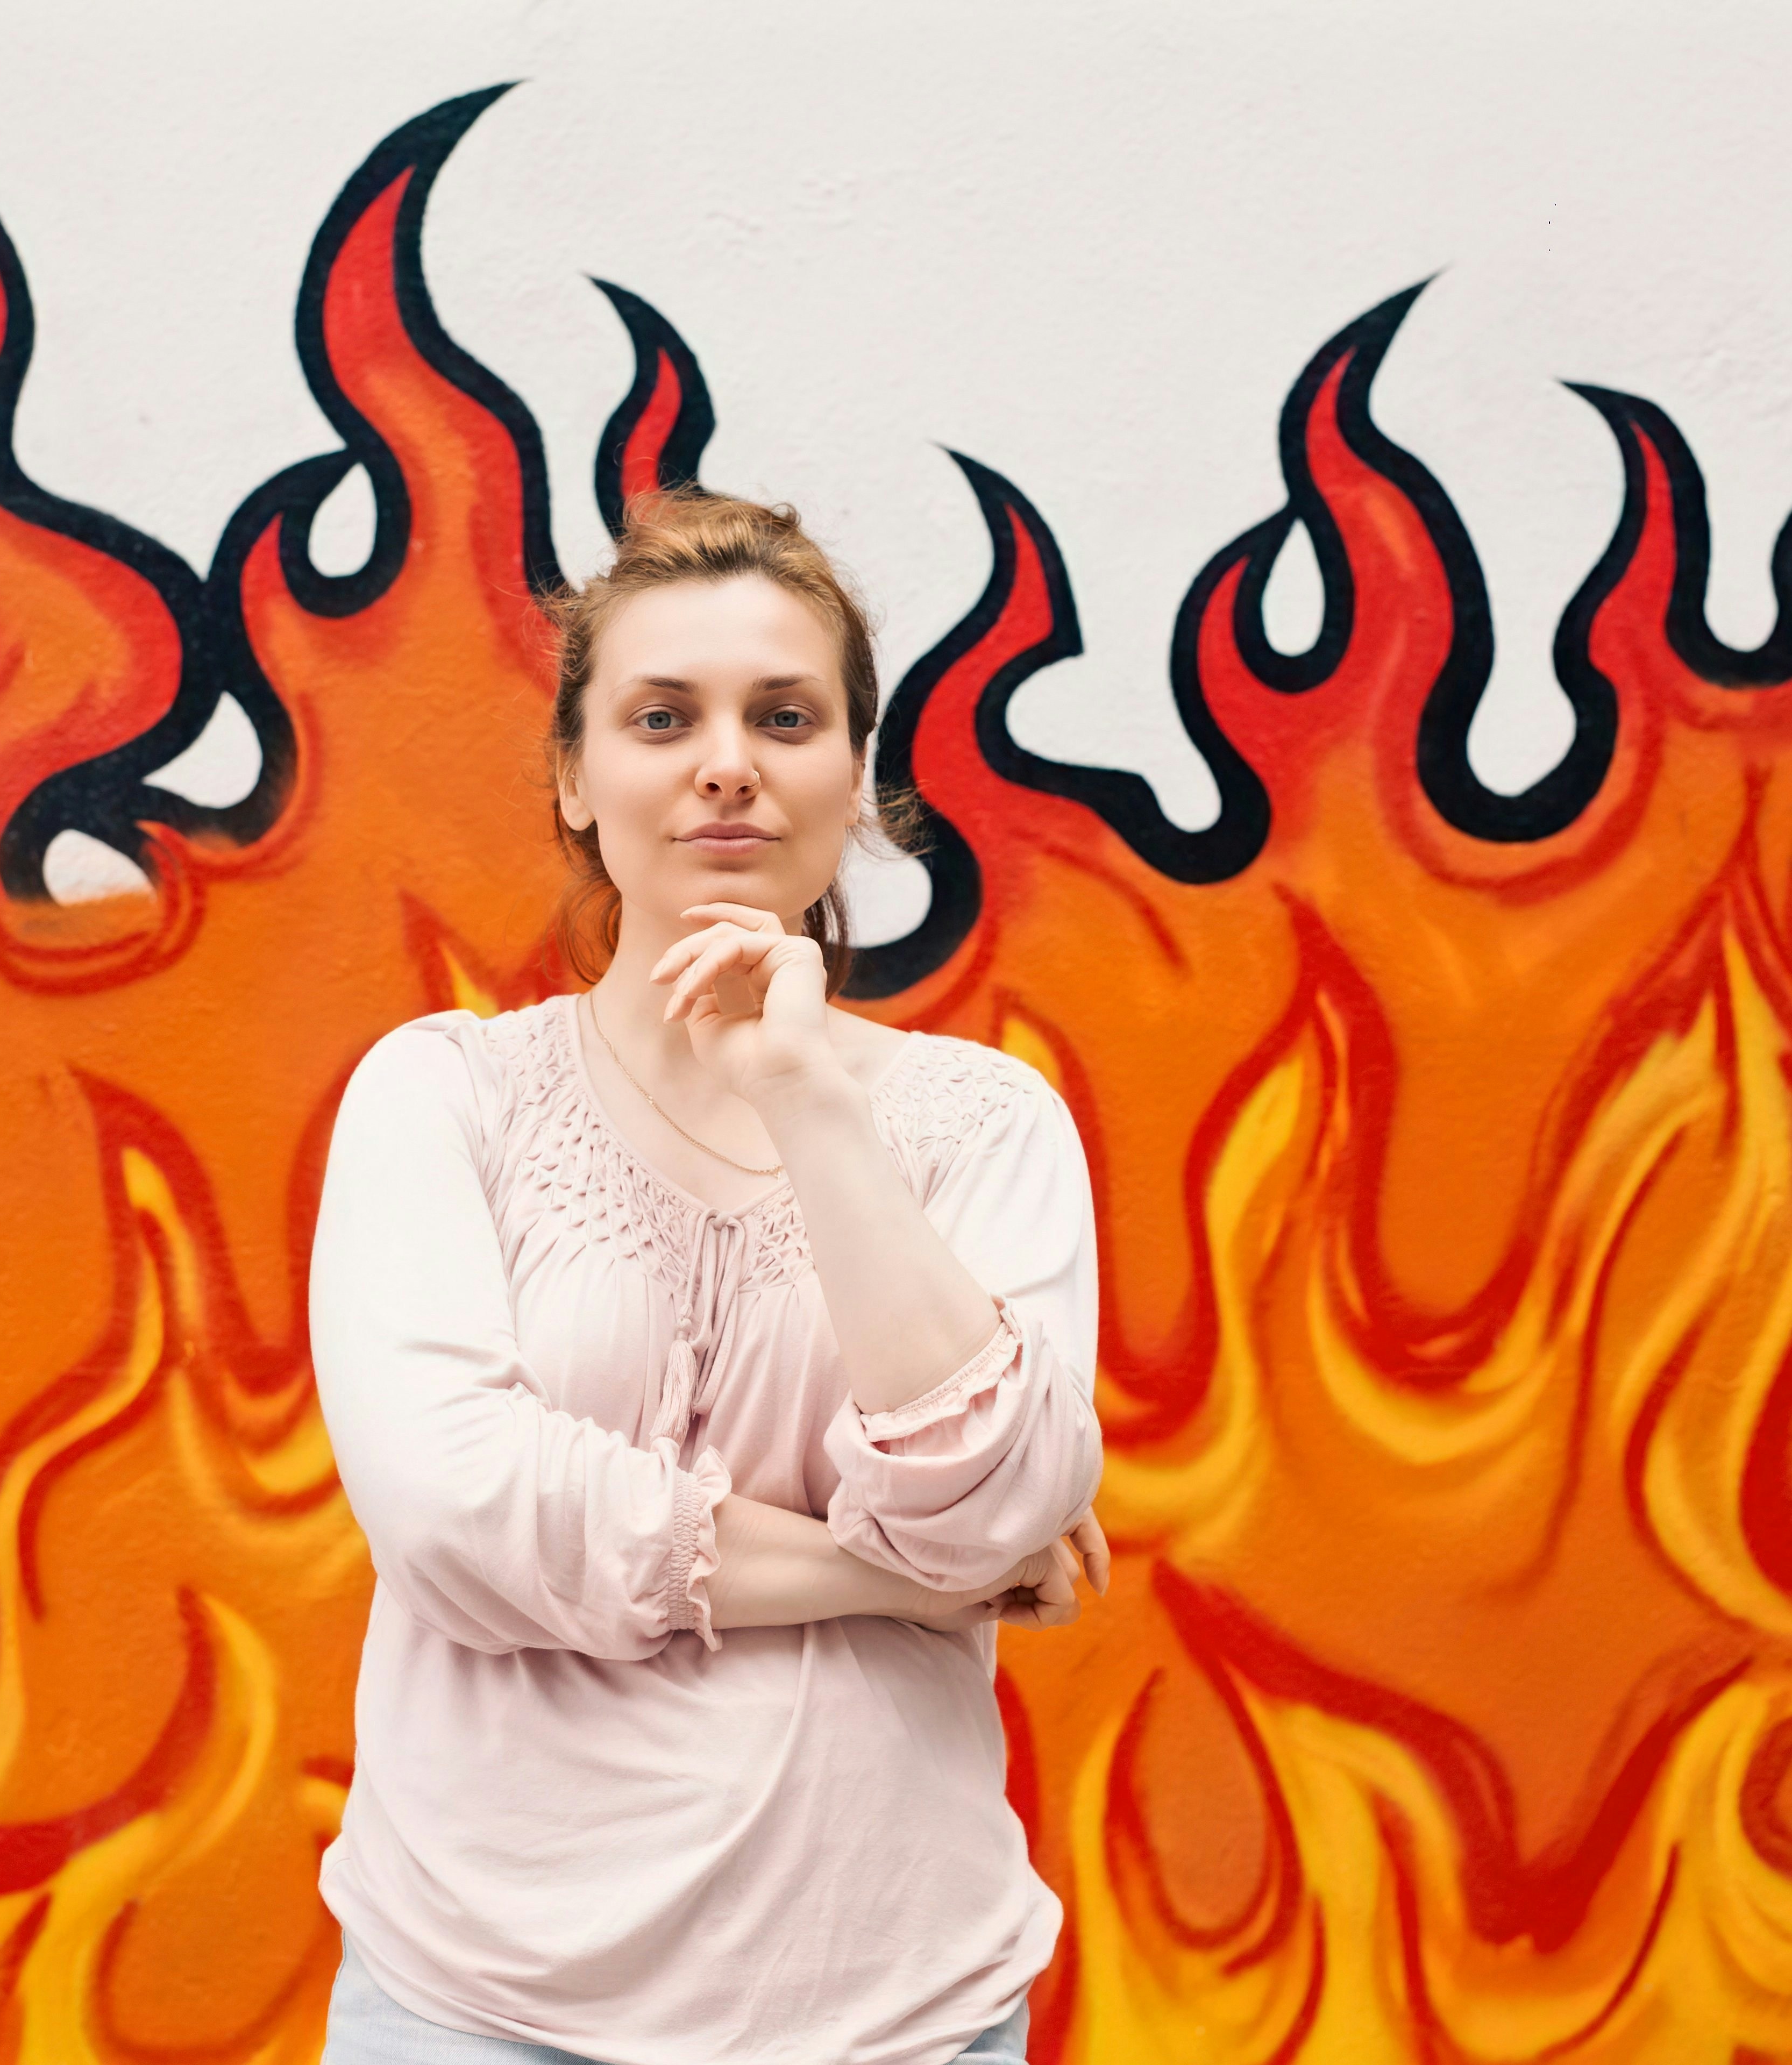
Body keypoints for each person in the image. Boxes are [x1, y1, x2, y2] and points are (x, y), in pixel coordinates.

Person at [309, 490, 1109, 2065]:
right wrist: (908, 1575)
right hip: (477, 2004)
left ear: (852, 772)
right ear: (576, 773)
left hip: (895, 2010)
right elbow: (461, 1519)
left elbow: (999, 1503)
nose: (726, 760)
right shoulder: (444, 1096)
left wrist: (810, 1099)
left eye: (785, 715)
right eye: (663, 715)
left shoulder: (984, 1126)